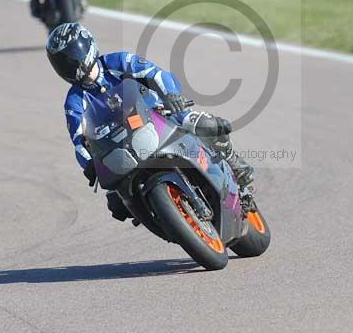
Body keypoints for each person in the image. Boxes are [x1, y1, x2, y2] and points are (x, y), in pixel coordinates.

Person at [45, 22, 255, 221]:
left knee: (207, 125)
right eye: (61, 63)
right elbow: (78, 141)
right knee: (117, 202)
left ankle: (239, 172)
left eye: (71, 58)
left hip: (159, 116)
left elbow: (156, 74)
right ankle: (160, 217)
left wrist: (171, 95)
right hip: (120, 146)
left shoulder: (117, 61)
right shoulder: (74, 100)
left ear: (87, 47)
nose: (69, 66)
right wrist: (89, 165)